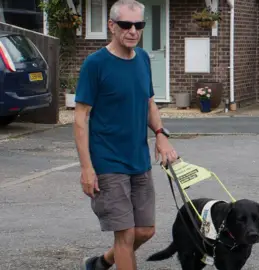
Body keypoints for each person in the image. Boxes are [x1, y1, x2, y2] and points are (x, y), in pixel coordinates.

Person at [73, 0, 178, 269]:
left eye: (139, 25)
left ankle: (101, 262)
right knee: (126, 234)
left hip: (139, 160)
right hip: (108, 162)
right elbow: (81, 118)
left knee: (145, 230)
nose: (133, 30)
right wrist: (87, 168)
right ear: (111, 26)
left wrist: (160, 133)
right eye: (125, 25)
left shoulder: (143, 59)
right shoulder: (95, 64)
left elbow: (149, 102)